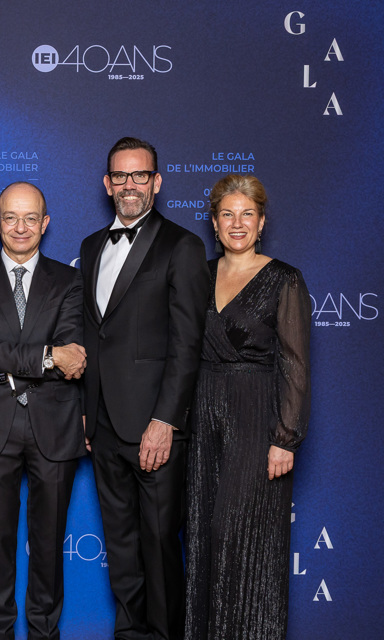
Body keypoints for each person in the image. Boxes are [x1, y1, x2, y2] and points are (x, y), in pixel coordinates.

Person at [79, 137, 210, 640]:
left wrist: (166, 420)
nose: (129, 185)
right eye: (120, 176)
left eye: (139, 175)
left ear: (156, 182)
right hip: (104, 425)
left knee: (158, 545)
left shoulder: (183, 246)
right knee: (121, 545)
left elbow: (187, 344)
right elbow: (95, 334)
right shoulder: (91, 246)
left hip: (155, 425)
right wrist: (89, 408)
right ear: (107, 183)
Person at [184, 175, 310, 640]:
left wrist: (286, 438)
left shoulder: (283, 278)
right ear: (214, 223)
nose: (237, 224)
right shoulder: (198, 275)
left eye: (247, 215)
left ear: (261, 222)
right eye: (227, 214)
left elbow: (295, 363)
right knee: (204, 534)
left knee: (239, 535)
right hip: (203, 417)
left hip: (256, 419)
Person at [0, 182, 88, 640]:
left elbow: (74, 353)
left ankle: (43, 633)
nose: (20, 227)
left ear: (45, 223)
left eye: (30, 218)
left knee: (49, 547)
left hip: (54, 426)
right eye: (11, 218)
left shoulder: (70, 281)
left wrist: (2, 370)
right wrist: (48, 357)